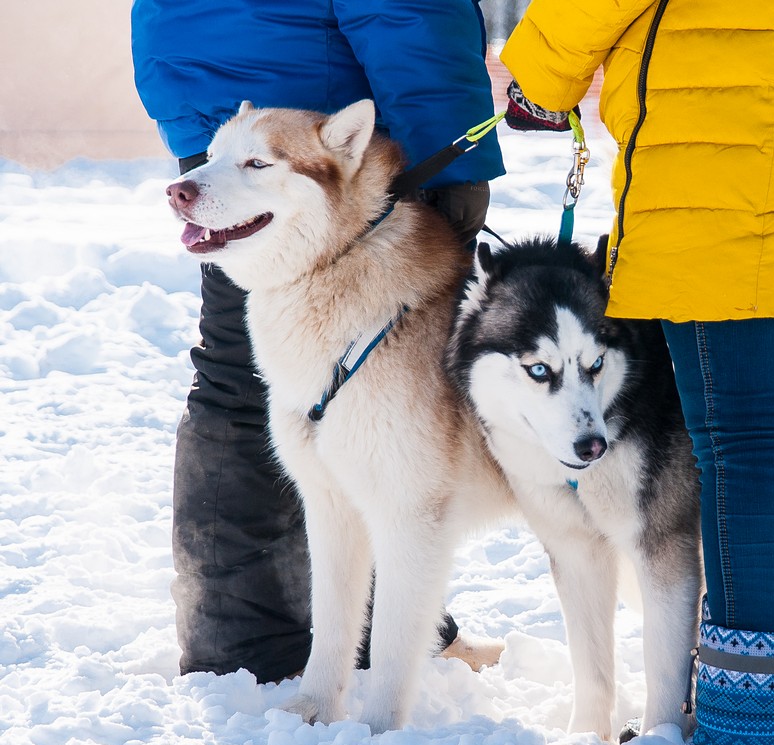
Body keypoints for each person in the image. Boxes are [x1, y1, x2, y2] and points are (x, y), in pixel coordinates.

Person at [500, 0, 774, 745]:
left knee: (742, 445)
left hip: (716, 153)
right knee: (757, 438)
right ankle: (747, 713)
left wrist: (538, 76)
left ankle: (742, 737)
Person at [130, 0, 505, 684]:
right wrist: (447, 144)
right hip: (313, 100)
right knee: (356, 391)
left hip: (208, 76)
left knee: (250, 379)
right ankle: (298, 639)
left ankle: (252, 631)